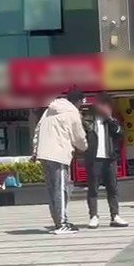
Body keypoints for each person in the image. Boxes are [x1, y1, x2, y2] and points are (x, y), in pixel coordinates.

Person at [32, 89, 88, 235]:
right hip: (59, 154)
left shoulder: (49, 110)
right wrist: (85, 147)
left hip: (44, 154)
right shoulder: (72, 112)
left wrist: (35, 150)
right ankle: (62, 223)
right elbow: (78, 136)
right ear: (79, 101)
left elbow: (38, 130)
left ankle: (58, 221)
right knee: (62, 188)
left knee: (53, 189)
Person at [83, 93, 128, 229]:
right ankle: (93, 216)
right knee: (93, 188)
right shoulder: (88, 121)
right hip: (94, 159)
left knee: (112, 188)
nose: (104, 107)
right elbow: (81, 137)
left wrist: (109, 118)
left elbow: (120, 134)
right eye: (101, 104)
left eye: (106, 105)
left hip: (110, 158)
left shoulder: (112, 122)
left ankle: (115, 215)